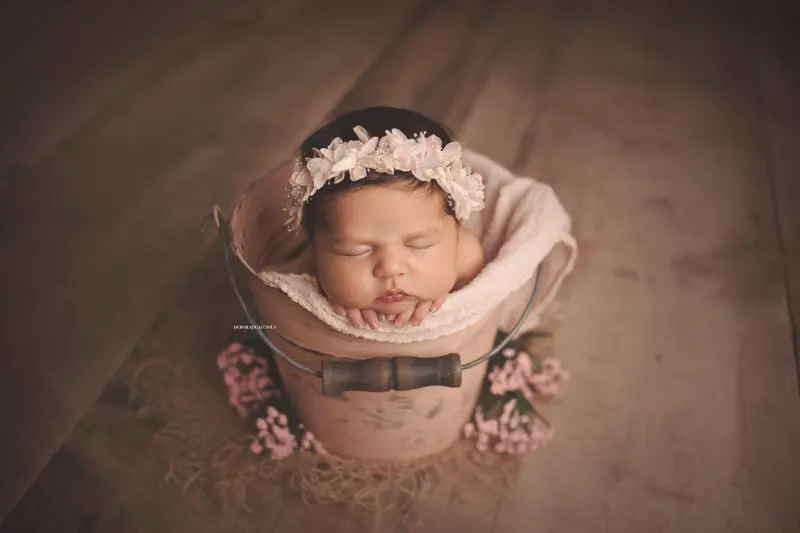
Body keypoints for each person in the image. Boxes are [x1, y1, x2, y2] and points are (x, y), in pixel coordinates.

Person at [285, 106, 486, 330]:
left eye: (419, 245)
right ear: (316, 247)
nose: (391, 267)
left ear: (456, 232)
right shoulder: (305, 271)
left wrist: (451, 296)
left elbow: (482, 299)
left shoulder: (466, 257)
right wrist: (323, 295)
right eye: (356, 251)